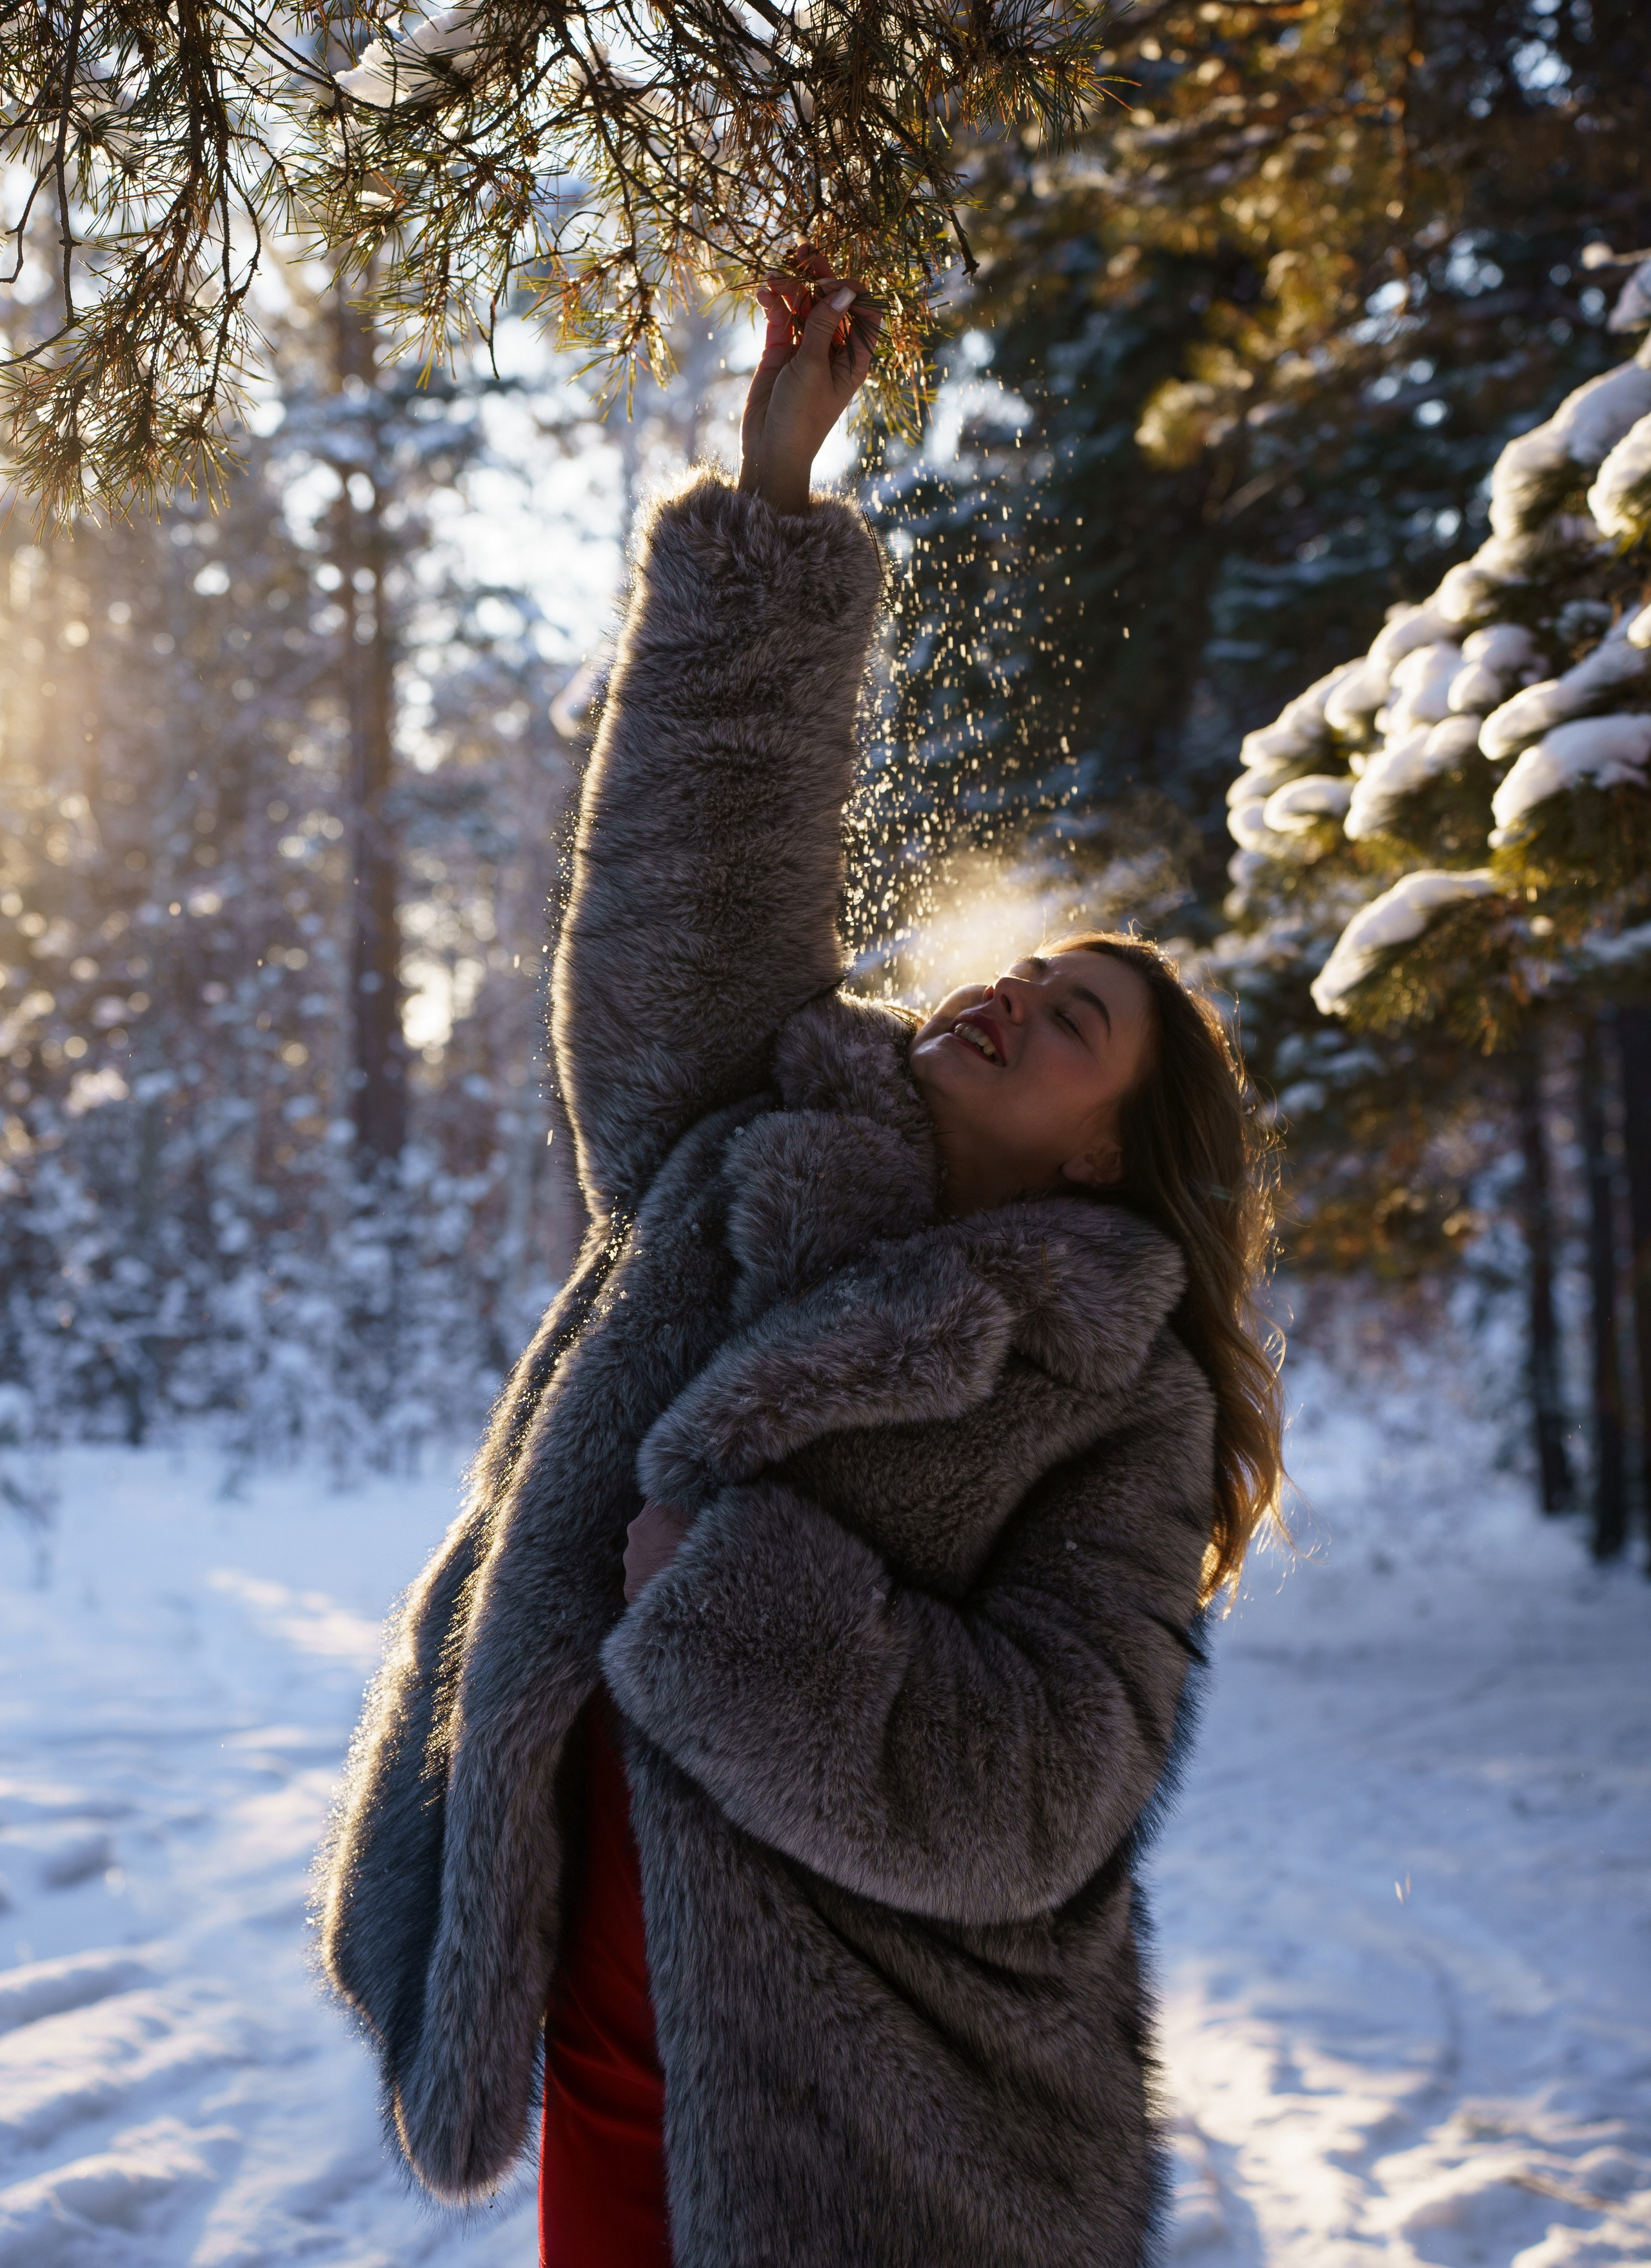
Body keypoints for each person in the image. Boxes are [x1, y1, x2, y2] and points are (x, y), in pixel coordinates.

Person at [317, 253, 1285, 2268]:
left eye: (1075, 1018)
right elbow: (697, 881)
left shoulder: (1121, 1394)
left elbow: (1046, 1781)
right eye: (1028, 966)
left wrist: (733, 1598)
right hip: (609, 2035)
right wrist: (772, 501)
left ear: (1107, 1154)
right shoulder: (751, 1145)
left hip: (878, 2140)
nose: (1009, 991)